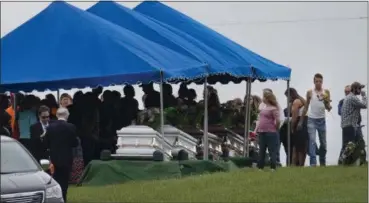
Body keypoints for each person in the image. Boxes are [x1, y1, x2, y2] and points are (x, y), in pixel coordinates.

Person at [43, 107, 78, 202]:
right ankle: (64, 198)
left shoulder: (50, 127)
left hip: (54, 158)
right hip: (66, 157)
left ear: (57, 115)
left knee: (55, 180)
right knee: (64, 181)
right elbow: (75, 143)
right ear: (67, 115)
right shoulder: (71, 127)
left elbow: (46, 143)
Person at [299, 73, 331, 167]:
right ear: (314, 82)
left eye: (320, 81)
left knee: (323, 143)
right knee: (312, 141)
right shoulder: (310, 92)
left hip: (322, 120)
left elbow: (328, 107)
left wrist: (327, 102)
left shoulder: (326, 92)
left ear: (322, 82)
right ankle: (313, 163)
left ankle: (322, 162)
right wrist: (301, 121)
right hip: (312, 119)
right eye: (316, 81)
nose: (318, 83)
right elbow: (306, 107)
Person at [340, 82, 367, 160]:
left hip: (347, 125)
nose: (360, 90)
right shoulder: (353, 98)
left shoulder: (349, 97)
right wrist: (364, 95)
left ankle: (343, 162)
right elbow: (364, 105)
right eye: (359, 88)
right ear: (355, 89)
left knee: (347, 146)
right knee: (349, 147)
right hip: (350, 125)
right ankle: (342, 161)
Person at [255, 90, 280, 171]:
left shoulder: (274, 109)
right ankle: (260, 167)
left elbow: (278, 120)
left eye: (264, 97)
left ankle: (273, 166)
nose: (263, 98)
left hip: (271, 132)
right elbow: (260, 119)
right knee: (261, 150)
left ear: (267, 99)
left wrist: (276, 127)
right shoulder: (263, 108)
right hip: (262, 132)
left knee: (272, 150)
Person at [285, 88, 308, 166]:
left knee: (297, 147)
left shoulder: (296, 102)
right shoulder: (302, 100)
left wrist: (291, 127)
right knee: (301, 146)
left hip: (298, 123)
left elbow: (294, 117)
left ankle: (295, 164)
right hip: (305, 122)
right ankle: (300, 164)